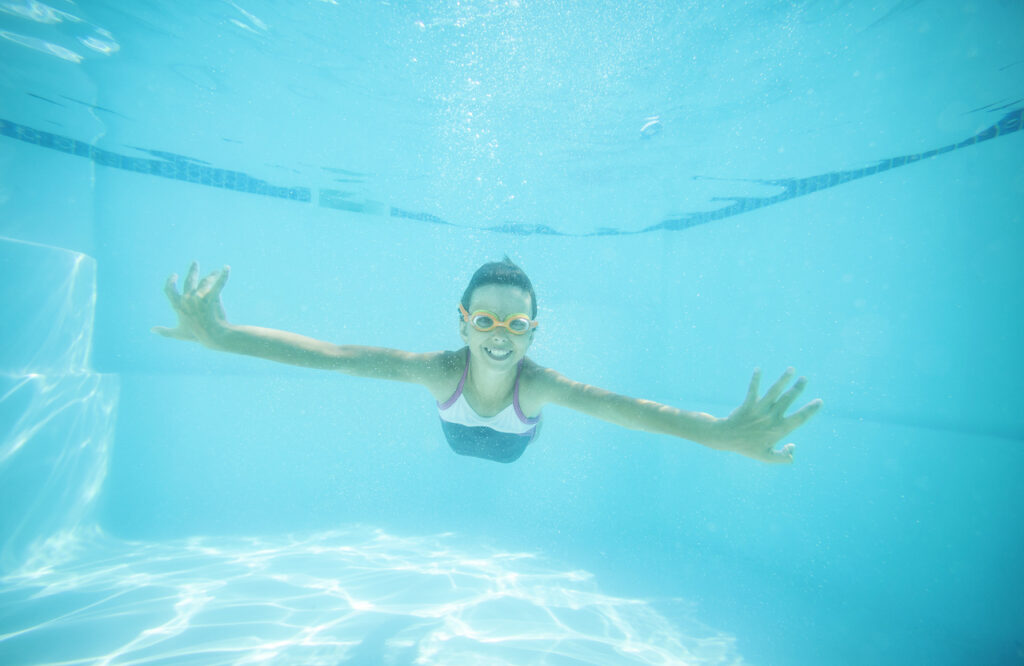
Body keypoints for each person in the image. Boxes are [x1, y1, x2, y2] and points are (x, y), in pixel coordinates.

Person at [154, 258, 822, 464]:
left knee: (522, 432)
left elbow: (629, 412)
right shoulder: (440, 369)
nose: (499, 334)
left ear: (533, 331)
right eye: (485, 320)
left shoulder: (542, 383)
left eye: (514, 322)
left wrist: (720, 433)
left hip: (512, 447)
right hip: (456, 433)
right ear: (463, 324)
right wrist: (225, 336)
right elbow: (334, 357)